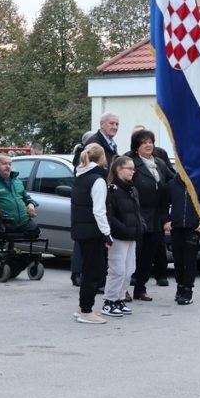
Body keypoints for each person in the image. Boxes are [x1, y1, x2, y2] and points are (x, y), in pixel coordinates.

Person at [128, 129, 173, 301]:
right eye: (144, 142)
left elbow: (172, 180)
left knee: (148, 256)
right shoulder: (131, 162)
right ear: (136, 145)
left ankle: (140, 289)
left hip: (156, 218)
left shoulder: (160, 163)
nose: (149, 145)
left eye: (151, 141)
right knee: (133, 256)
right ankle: (123, 289)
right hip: (136, 216)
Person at [71, 144, 111, 323]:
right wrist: (107, 233)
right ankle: (86, 311)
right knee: (94, 271)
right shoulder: (97, 180)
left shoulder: (80, 177)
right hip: (93, 231)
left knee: (89, 269)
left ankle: (82, 307)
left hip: (81, 230)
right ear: (102, 158)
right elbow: (99, 211)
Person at [105, 154, 143, 319]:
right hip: (119, 236)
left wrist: (140, 226)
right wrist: (122, 229)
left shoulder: (131, 189)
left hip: (131, 235)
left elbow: (136, 212)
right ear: (119, 169)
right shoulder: (112, 190)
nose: (132, 172)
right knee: (117, 270)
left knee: (129, 270)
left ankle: (120, 299)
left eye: (133, 169)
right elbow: (110, 215)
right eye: (129, 168)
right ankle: (109, 301)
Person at [0, 154, 40, 238]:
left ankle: (13, 247)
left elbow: (27, 198)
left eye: (10, 164)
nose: (8, 166)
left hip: (24, 222)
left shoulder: (17, 181)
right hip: (3, 222)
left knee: (36, 231)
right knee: (4, 233)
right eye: (4, 163)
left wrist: (31, 204)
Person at [169, 177, 200, 305]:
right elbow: (164, 204)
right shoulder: (172, 184)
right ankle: (180, 286)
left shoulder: (199, 183)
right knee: (178, 260)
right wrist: (166, 220)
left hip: (193, 228)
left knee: (190, 260)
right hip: (176, 227)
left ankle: (188, 290)